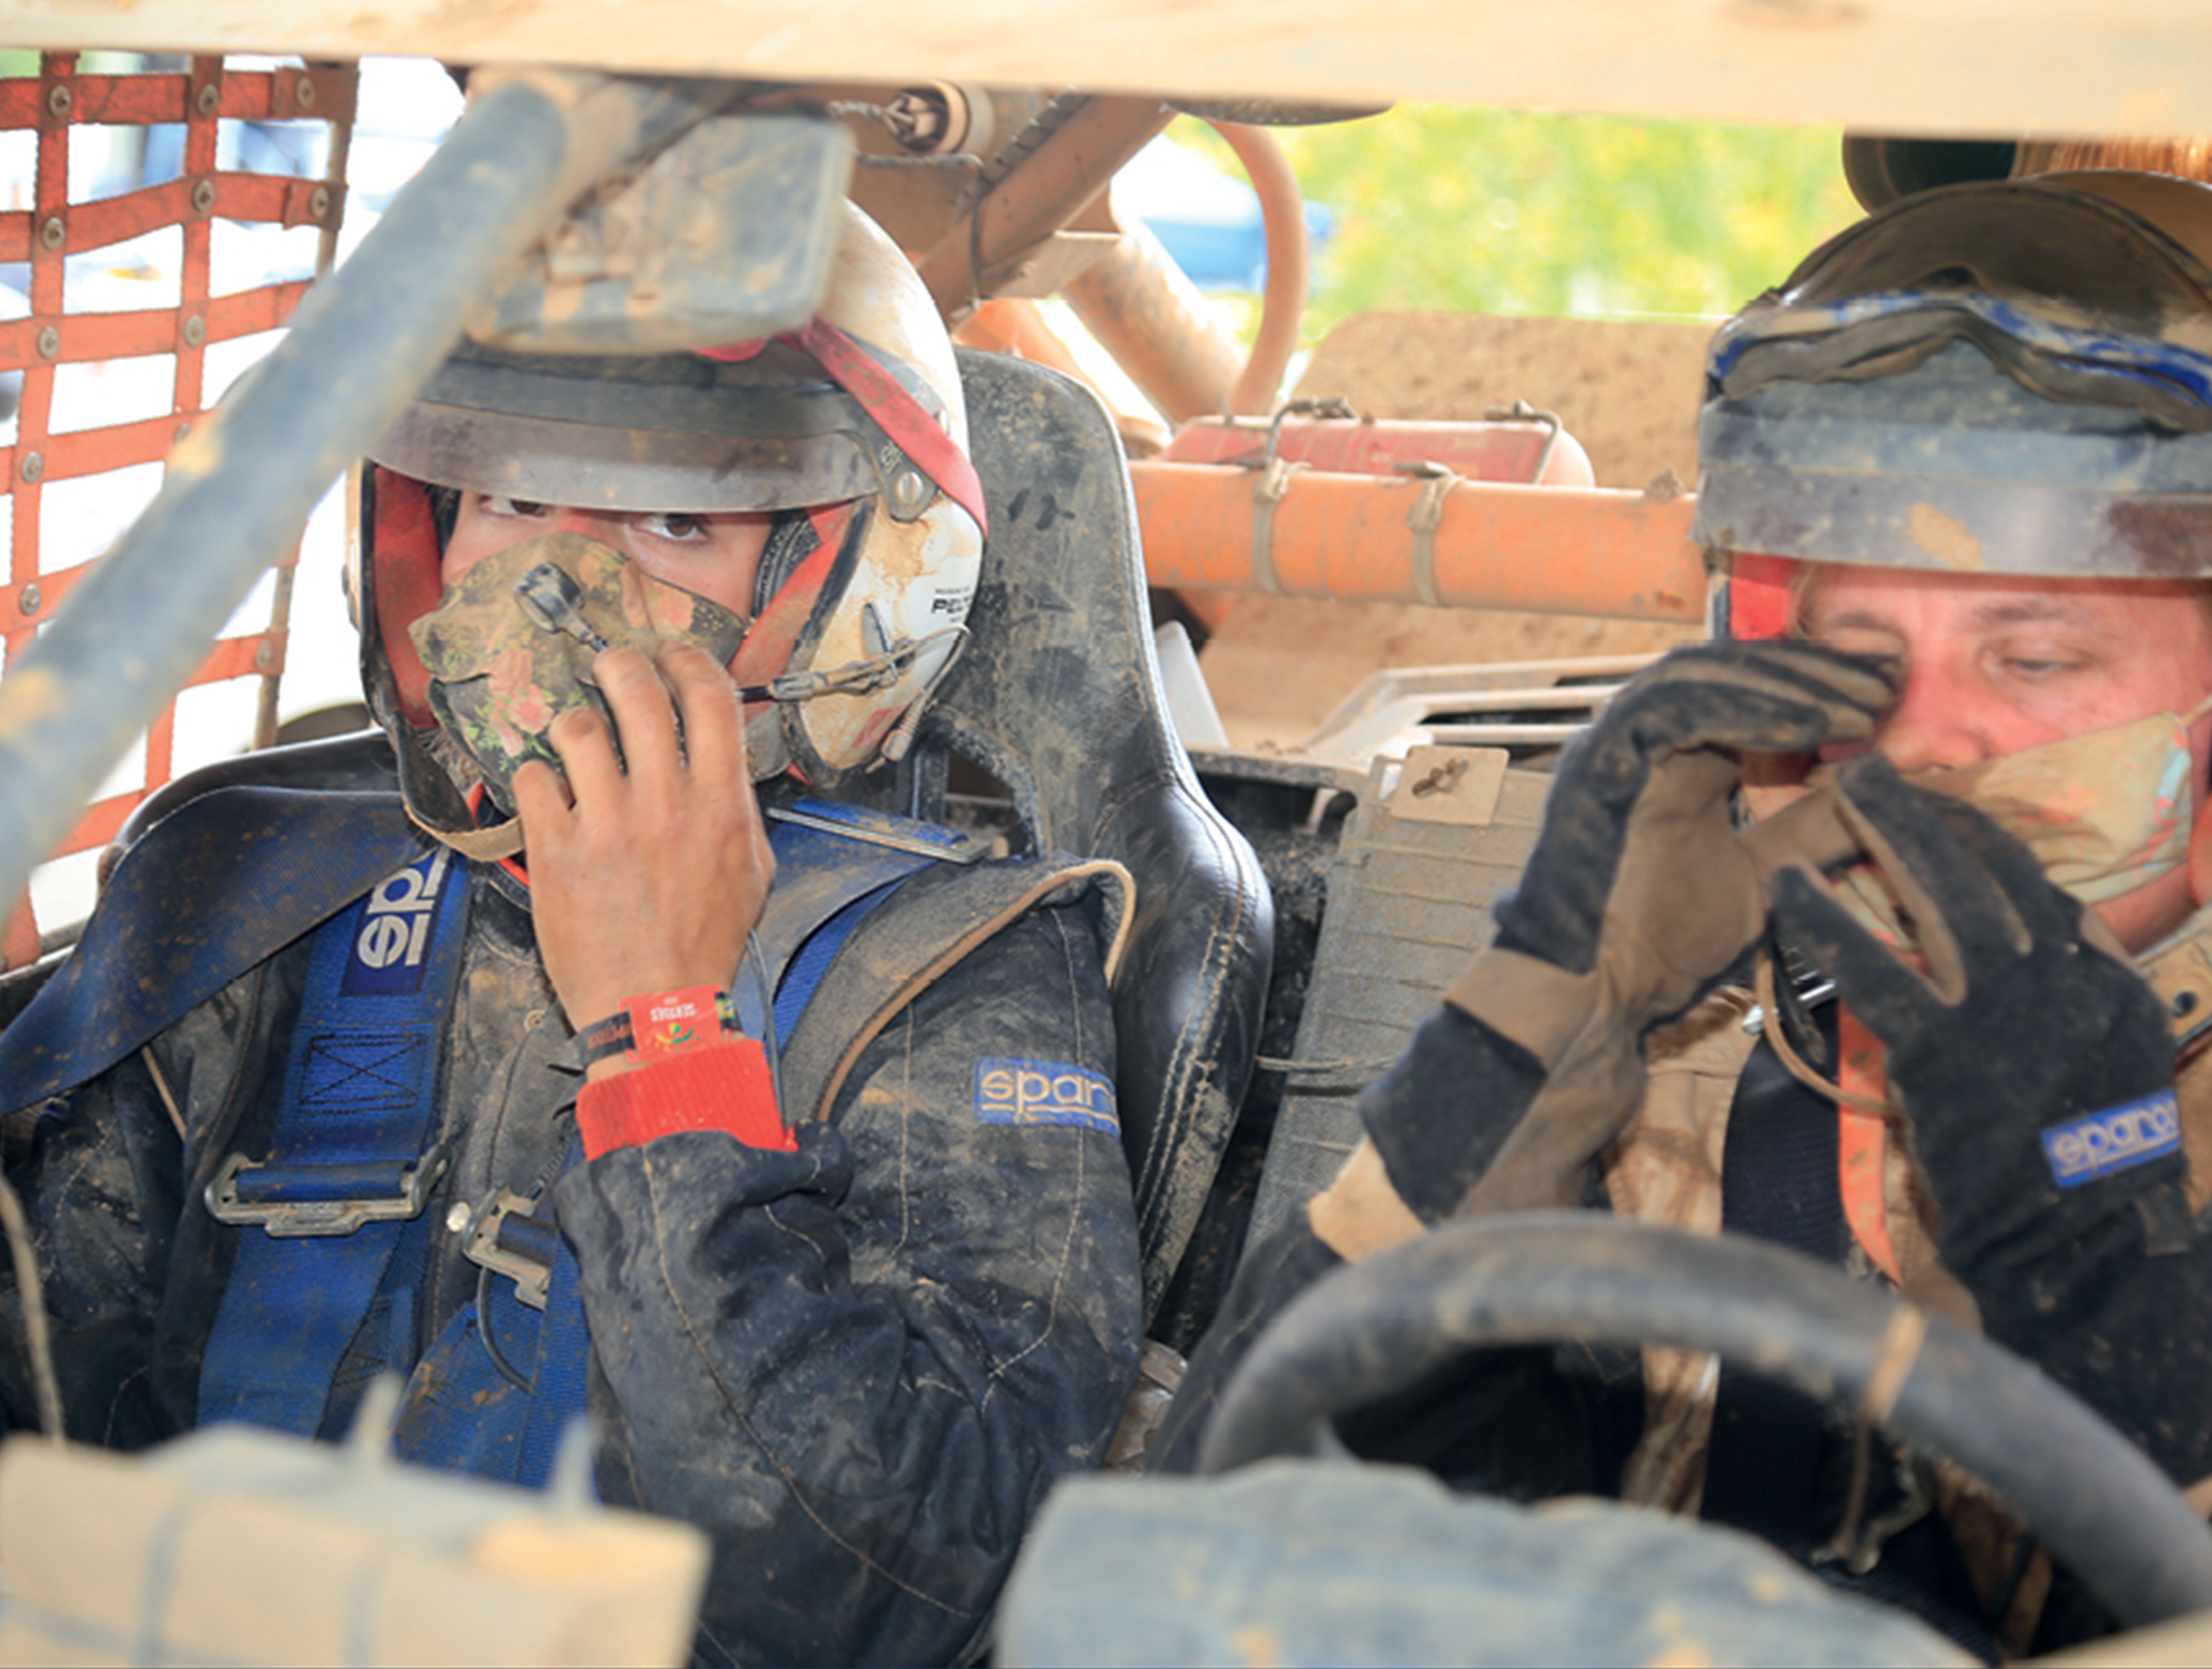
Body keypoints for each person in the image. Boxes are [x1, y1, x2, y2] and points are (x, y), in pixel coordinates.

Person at [0, 201, 1143, 1667]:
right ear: (423, 536)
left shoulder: (948, 970)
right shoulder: (250, 882)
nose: (557, 596)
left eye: (678, 524)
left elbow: (879, 1587)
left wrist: (668, 1026)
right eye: (516, 502)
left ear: (842, 587)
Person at [1155, 168, 2212, 1658]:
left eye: (2035, 659)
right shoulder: (1711, 1065)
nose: (1917, 746)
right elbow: (1219, 1580)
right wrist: (1524, 1044)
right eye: (1855, 658)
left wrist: (2101, 1266)